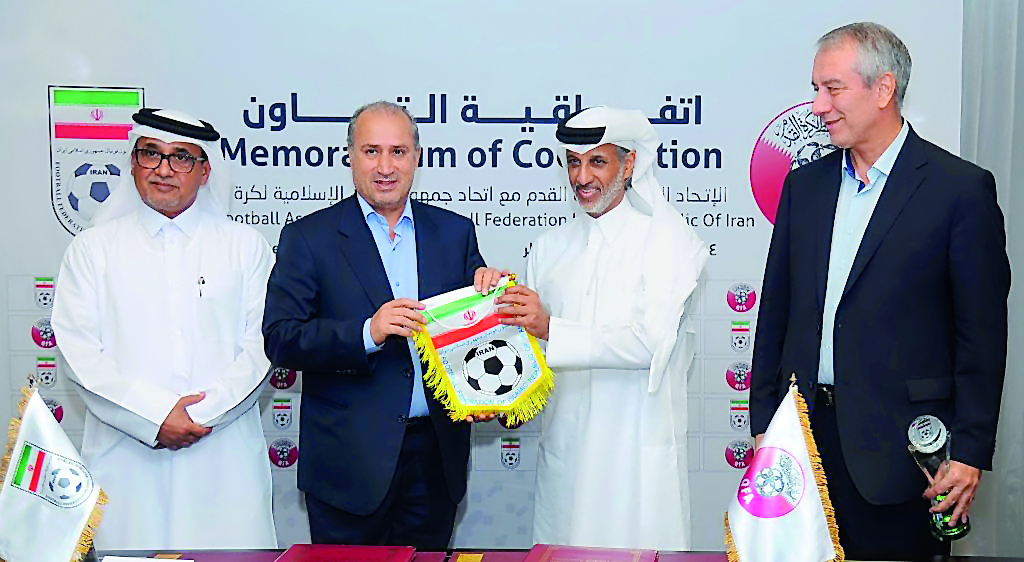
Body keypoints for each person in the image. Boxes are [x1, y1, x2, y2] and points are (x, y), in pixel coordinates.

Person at [750, 22, 1010, 560]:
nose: (818, 106)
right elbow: (775, 312)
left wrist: (968, 449)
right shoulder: (806, 186)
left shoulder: (959, 190)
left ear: (884, 89)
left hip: (903, 455)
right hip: (798, 448)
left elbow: (982, 336)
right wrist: (762, 425)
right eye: (816, 88)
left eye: (832, 89)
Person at [262, 101, 503, 549]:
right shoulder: (309, 237)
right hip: (347, 467)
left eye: (398, 151)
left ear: (417, 157)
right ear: (350, 156)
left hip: (435, 461)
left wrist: (490, 290)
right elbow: (281, 338)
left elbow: (476, 332)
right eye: (371, 151)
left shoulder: (454, 233)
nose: (385, 166)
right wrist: (366, 333)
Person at [51, 108, 277, 550]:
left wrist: (197, 417)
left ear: (205, 170)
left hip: (221, 456)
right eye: (151, 154)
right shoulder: (93, 250)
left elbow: (262, 347)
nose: (163, 170)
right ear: (134, 162)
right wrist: (155, 416)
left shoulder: (246, 247)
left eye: (181, 158)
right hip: (128, 455)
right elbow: (80, 354)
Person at [497, 107, 707, 549]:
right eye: (573, 162)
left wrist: (551, 327)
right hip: (566, 461)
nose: (581, 176)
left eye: (597, 161)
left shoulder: (670, 241)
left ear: (628, 164)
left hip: (635, 463)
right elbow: (527, 352)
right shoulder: (549, 248)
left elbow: (650, 345)